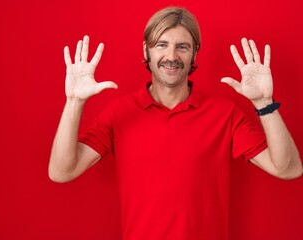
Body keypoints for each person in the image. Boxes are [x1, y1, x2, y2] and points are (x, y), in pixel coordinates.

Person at [48, 6, 302, 240]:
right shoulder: (118, 113)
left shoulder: (225, 114)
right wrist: (74, 101)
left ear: (194, 54)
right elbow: (62, 171)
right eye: (161, 45)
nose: (171, 56)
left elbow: (288, 169)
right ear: (145, 50)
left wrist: (263, 102)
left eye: (183, 47)